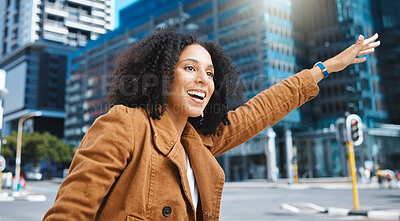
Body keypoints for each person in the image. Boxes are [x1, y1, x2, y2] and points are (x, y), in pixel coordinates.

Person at [43, 28, 380, 220]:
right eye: (189, 68)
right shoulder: (125, 125)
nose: (203, 79)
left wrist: (323, 69)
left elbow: (261, 109)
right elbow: (69, 215)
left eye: (209, 73)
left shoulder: (199, 141)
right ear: (161, 75)